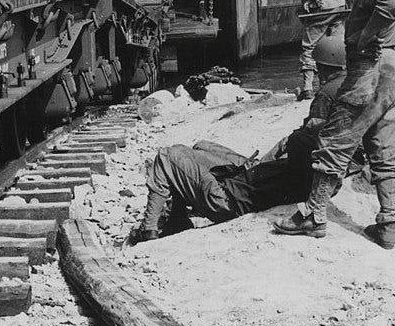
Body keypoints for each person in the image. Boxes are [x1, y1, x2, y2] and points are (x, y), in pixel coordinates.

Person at [274, 0, 395, 248]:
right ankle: (388, 223)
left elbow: (391, 6)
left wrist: (365, 38)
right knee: (384, 145)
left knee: (336, 140)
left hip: (371, 70)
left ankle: (313, 215)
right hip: (393, 69)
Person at [129, 37, 349, 242]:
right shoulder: (318, 165)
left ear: (322, 66)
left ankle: (149, 229)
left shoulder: (307, 140)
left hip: (228, 200)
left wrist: (293, 140)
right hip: (250, 180)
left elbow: (298, 139)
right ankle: (176, 218)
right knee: (201, 146)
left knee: (168, 156)